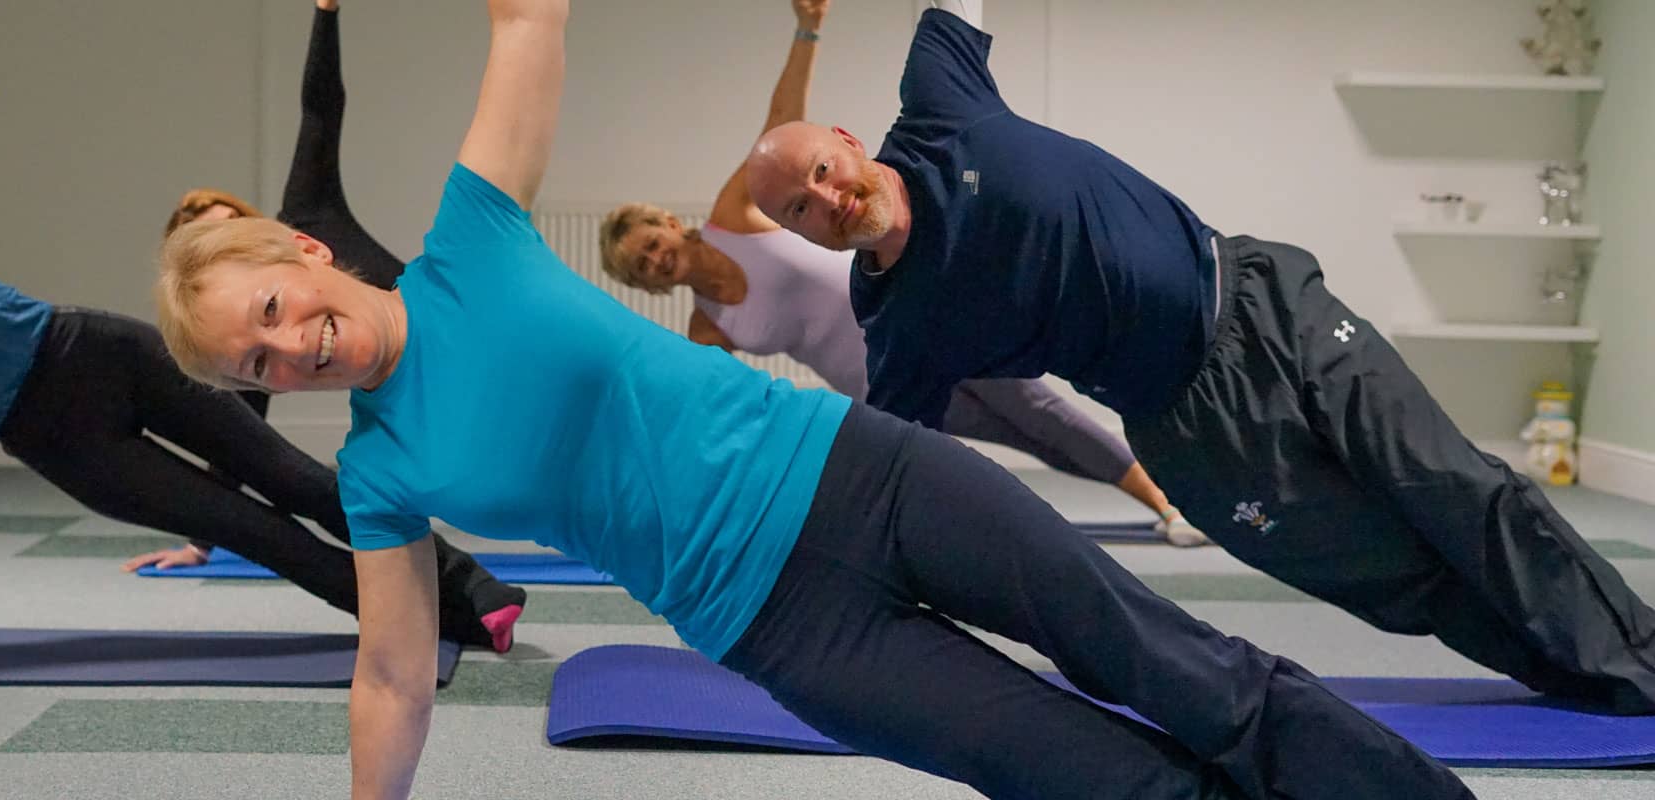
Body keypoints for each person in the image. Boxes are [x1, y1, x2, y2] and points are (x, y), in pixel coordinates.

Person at [152, 1, 1474, 796]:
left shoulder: (471, 235)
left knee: (1177, 668)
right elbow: (391, 672)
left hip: (870, 474)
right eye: (254, 366)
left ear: (299, 254)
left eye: (268, 314)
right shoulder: (381, 473)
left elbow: (527, 20)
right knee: (1085, 776)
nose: (288, 351)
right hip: (779, 629)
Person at [743, 0, 1655, 712]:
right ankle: (1584, 677)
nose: (826, 199)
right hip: (1194, 436)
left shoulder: (939, 104)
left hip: (1264, 303)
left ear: (848, 142)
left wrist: (798, 30)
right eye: (797, 210)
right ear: (796, 236)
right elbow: (901, 476)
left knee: (1458, 483)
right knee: (1402, 582)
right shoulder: (899, 323)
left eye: (822, 170)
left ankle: (1640, 660)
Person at [0, 0, 523, 653]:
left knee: (291, 476)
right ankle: (423, 630)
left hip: (97, 353)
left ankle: (474, 587)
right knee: (247, 529)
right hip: (52, 437)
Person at [595, 0, 1204, 546]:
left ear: (669, 224)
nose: (653, 259)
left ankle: (1168, 504)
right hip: (881, 381)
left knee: (1044, 413)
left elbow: (780, 130)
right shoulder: (709, 327)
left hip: (934, 308)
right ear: (647, 284)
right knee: (1014, 444)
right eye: (640, 267)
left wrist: (806, 31)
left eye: (650, 243)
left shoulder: (736, 214)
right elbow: (718, 404)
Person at [128, 0, 421, 572]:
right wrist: (200, 543)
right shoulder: (264, 349)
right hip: (414, 406)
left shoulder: (307, 214)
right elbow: (238, 445)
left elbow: (319, 111)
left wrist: (325, 14)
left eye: (225, 229)